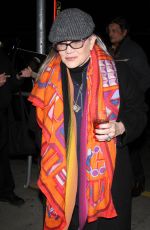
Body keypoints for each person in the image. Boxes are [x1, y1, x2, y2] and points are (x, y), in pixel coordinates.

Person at [28, 8, 147, 230]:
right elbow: (36, 127)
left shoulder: (118, 72)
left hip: (108, 175)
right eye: (61, 44)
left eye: (75, 42)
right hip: (63, 176)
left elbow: (139, 112)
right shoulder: (47, 78)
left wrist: (121, 127)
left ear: (92, 41)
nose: (68, 50)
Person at [106, 16, 150, 197]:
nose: (111, 34)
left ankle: (138, 182)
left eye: (115, 30)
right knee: (118, 148)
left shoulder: (134, 51)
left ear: (125, 32)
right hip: (112, 105)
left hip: (129, 105)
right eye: (109, 31)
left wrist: (133, 97)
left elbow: (145, 78)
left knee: (130, 147)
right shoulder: (109, 50)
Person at [0, 42, 25, 206]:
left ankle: (6, 192)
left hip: (2, 114)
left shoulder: (2, 55)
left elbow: (10, 83)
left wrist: (19, 76)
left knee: (2, 155)